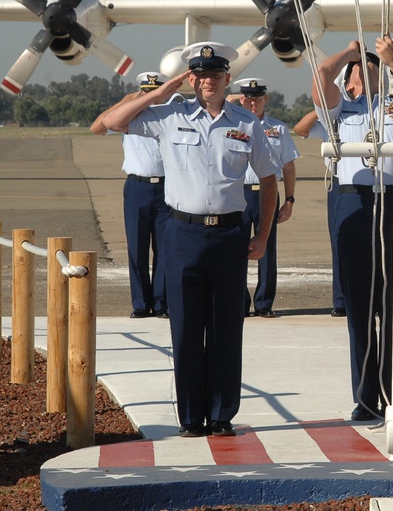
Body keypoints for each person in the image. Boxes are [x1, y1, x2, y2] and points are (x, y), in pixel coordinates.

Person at [102, 42, 278, 438]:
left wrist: (263, 235)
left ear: (227, 78)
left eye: (214, 75)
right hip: (181, 233)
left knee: (226, 329)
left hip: (230, 234)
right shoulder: (169, 115)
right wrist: (162, 92)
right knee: (184, 328)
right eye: (199, 75)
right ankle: (191, 418)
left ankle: (221, 415)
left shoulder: (246, 123)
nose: (207, 82)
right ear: (191, 79)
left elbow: (268, 180)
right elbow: (113, 122)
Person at [312, 35, 393, 422]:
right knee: (361, 308)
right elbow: (321, 75)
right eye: (359, 67)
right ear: (349, 79)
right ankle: (367, 397)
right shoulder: (340, 110)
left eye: (373, 65)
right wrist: (351, 54)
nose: (367, 67)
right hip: (355, 201)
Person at [91, 71, 170, 319]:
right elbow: (97, 128)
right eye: (145, 92)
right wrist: (124, 102)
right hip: (138, 186)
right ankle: (139, 303)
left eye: (154, 92)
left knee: (164, 249)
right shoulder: (128, 116)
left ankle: (161, 303)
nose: (150, 97)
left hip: (168, 187)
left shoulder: (169, 115)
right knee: (137, 248)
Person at [233, 77, 300, 318]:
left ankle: (264, 303)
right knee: (234, 249)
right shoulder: (233, 127)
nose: (253, 103)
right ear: (241, 99)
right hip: (238, 194)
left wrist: (290, 200)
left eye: (257, 99)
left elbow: (289, 167)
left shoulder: (278, 129)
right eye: (248, 99)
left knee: (267, 250)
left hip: (267, 194)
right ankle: (239, 302)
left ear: (265, 99)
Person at [293, 108, 346, 318]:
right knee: (339, 243)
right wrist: (322, 108)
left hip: (367, 182)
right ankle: (341, 300)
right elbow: (300, 129)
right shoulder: (329, 122)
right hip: (338, 183)